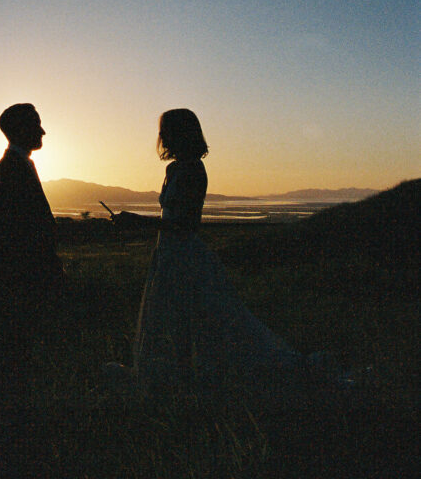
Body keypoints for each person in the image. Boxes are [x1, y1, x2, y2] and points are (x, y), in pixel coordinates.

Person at [125, 108, 342, 396]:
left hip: (184, 255)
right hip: (167, 253)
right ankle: (185, 378)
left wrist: (138, 221)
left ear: (182, 134)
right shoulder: (174, 169)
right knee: (178, 318)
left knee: (200, 319)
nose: (162, 137)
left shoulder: (192, 170)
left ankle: (193, 380)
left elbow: (187, 224)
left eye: (166, 131)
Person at [0, 103, 64, 403]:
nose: (43, 131)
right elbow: (19, 232)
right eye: (37, 124)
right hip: (22, 277)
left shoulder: (20, 165)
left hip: (24, 275)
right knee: (17, 350)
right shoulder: (11, 169)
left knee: (21, 349)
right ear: (20, 129)